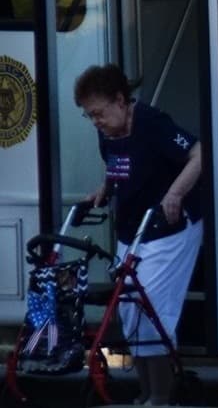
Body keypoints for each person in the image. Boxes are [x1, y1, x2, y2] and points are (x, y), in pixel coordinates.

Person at [75, 64, 205, 405]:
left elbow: (199, 154)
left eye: (99, 113)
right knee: (131, 311)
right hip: (133, 230)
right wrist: (104, 189)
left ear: (120, 101)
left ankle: (160, 396)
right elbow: (118, 168)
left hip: (169, 230)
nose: (95, 122)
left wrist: (174, 194)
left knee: (151, 312)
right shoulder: (109, 132)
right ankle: (147, 392)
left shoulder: (150, 123)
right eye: (89, 116)